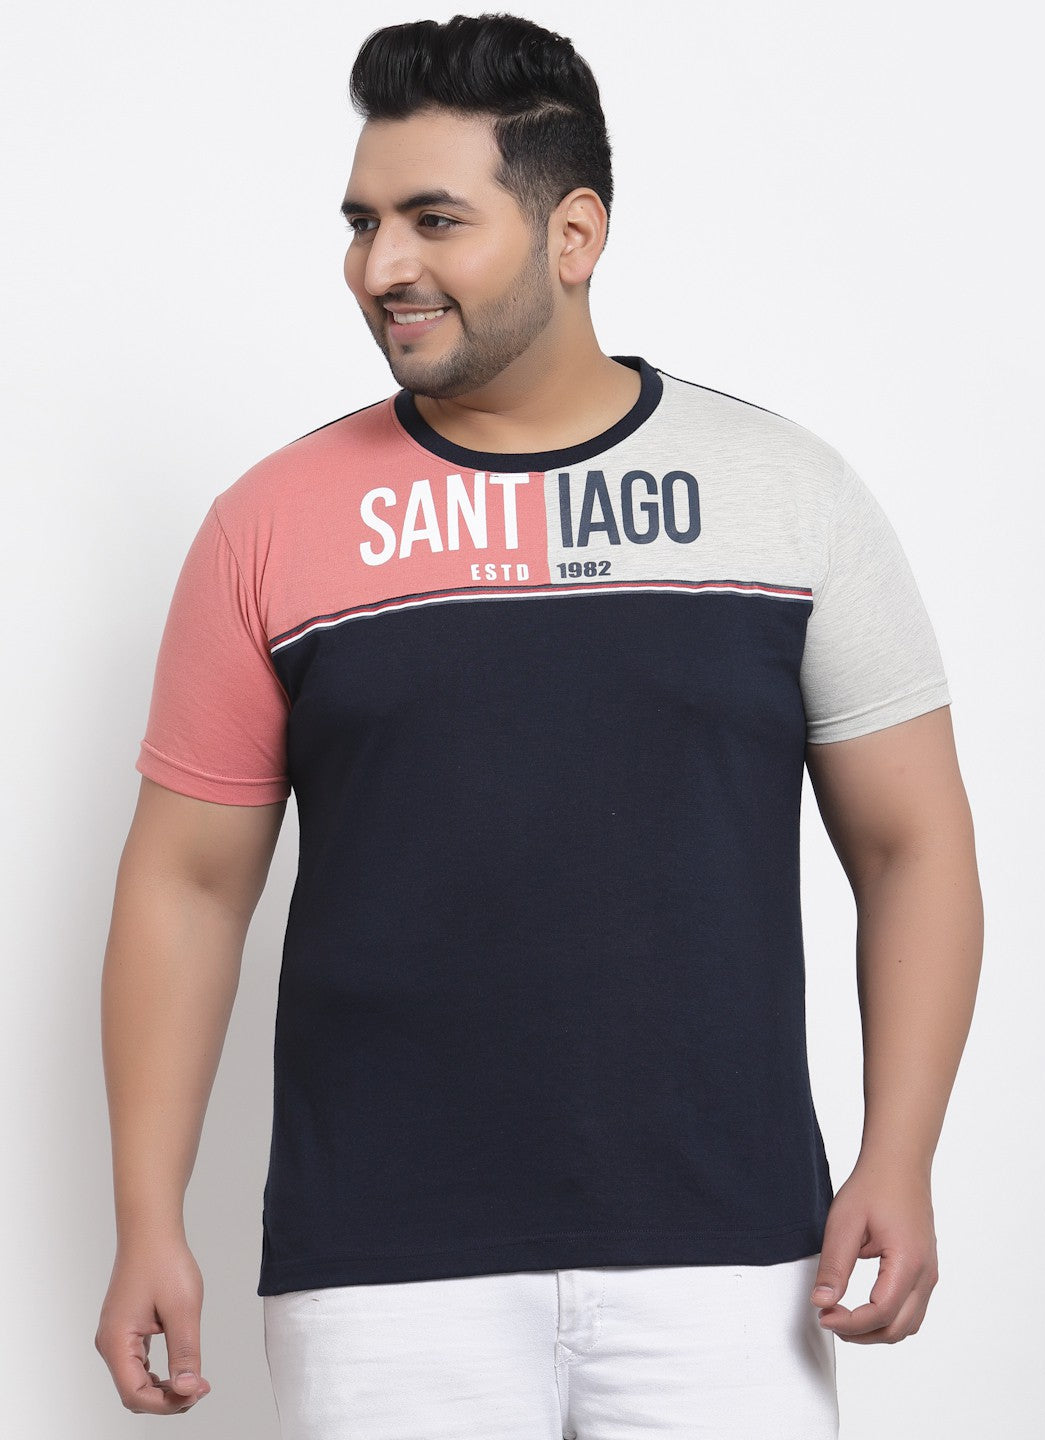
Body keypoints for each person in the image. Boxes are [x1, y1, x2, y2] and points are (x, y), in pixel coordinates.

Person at [95, 13, 984, 1438]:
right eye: (363, 223)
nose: (381, 266)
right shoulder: (269, 525)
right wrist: (147, 1218)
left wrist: (903, 1151)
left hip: (733, 1264)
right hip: (378, 1274)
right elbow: (187, 886)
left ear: (575, 234)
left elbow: (913, 844)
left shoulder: (785, 494)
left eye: (434, 219)